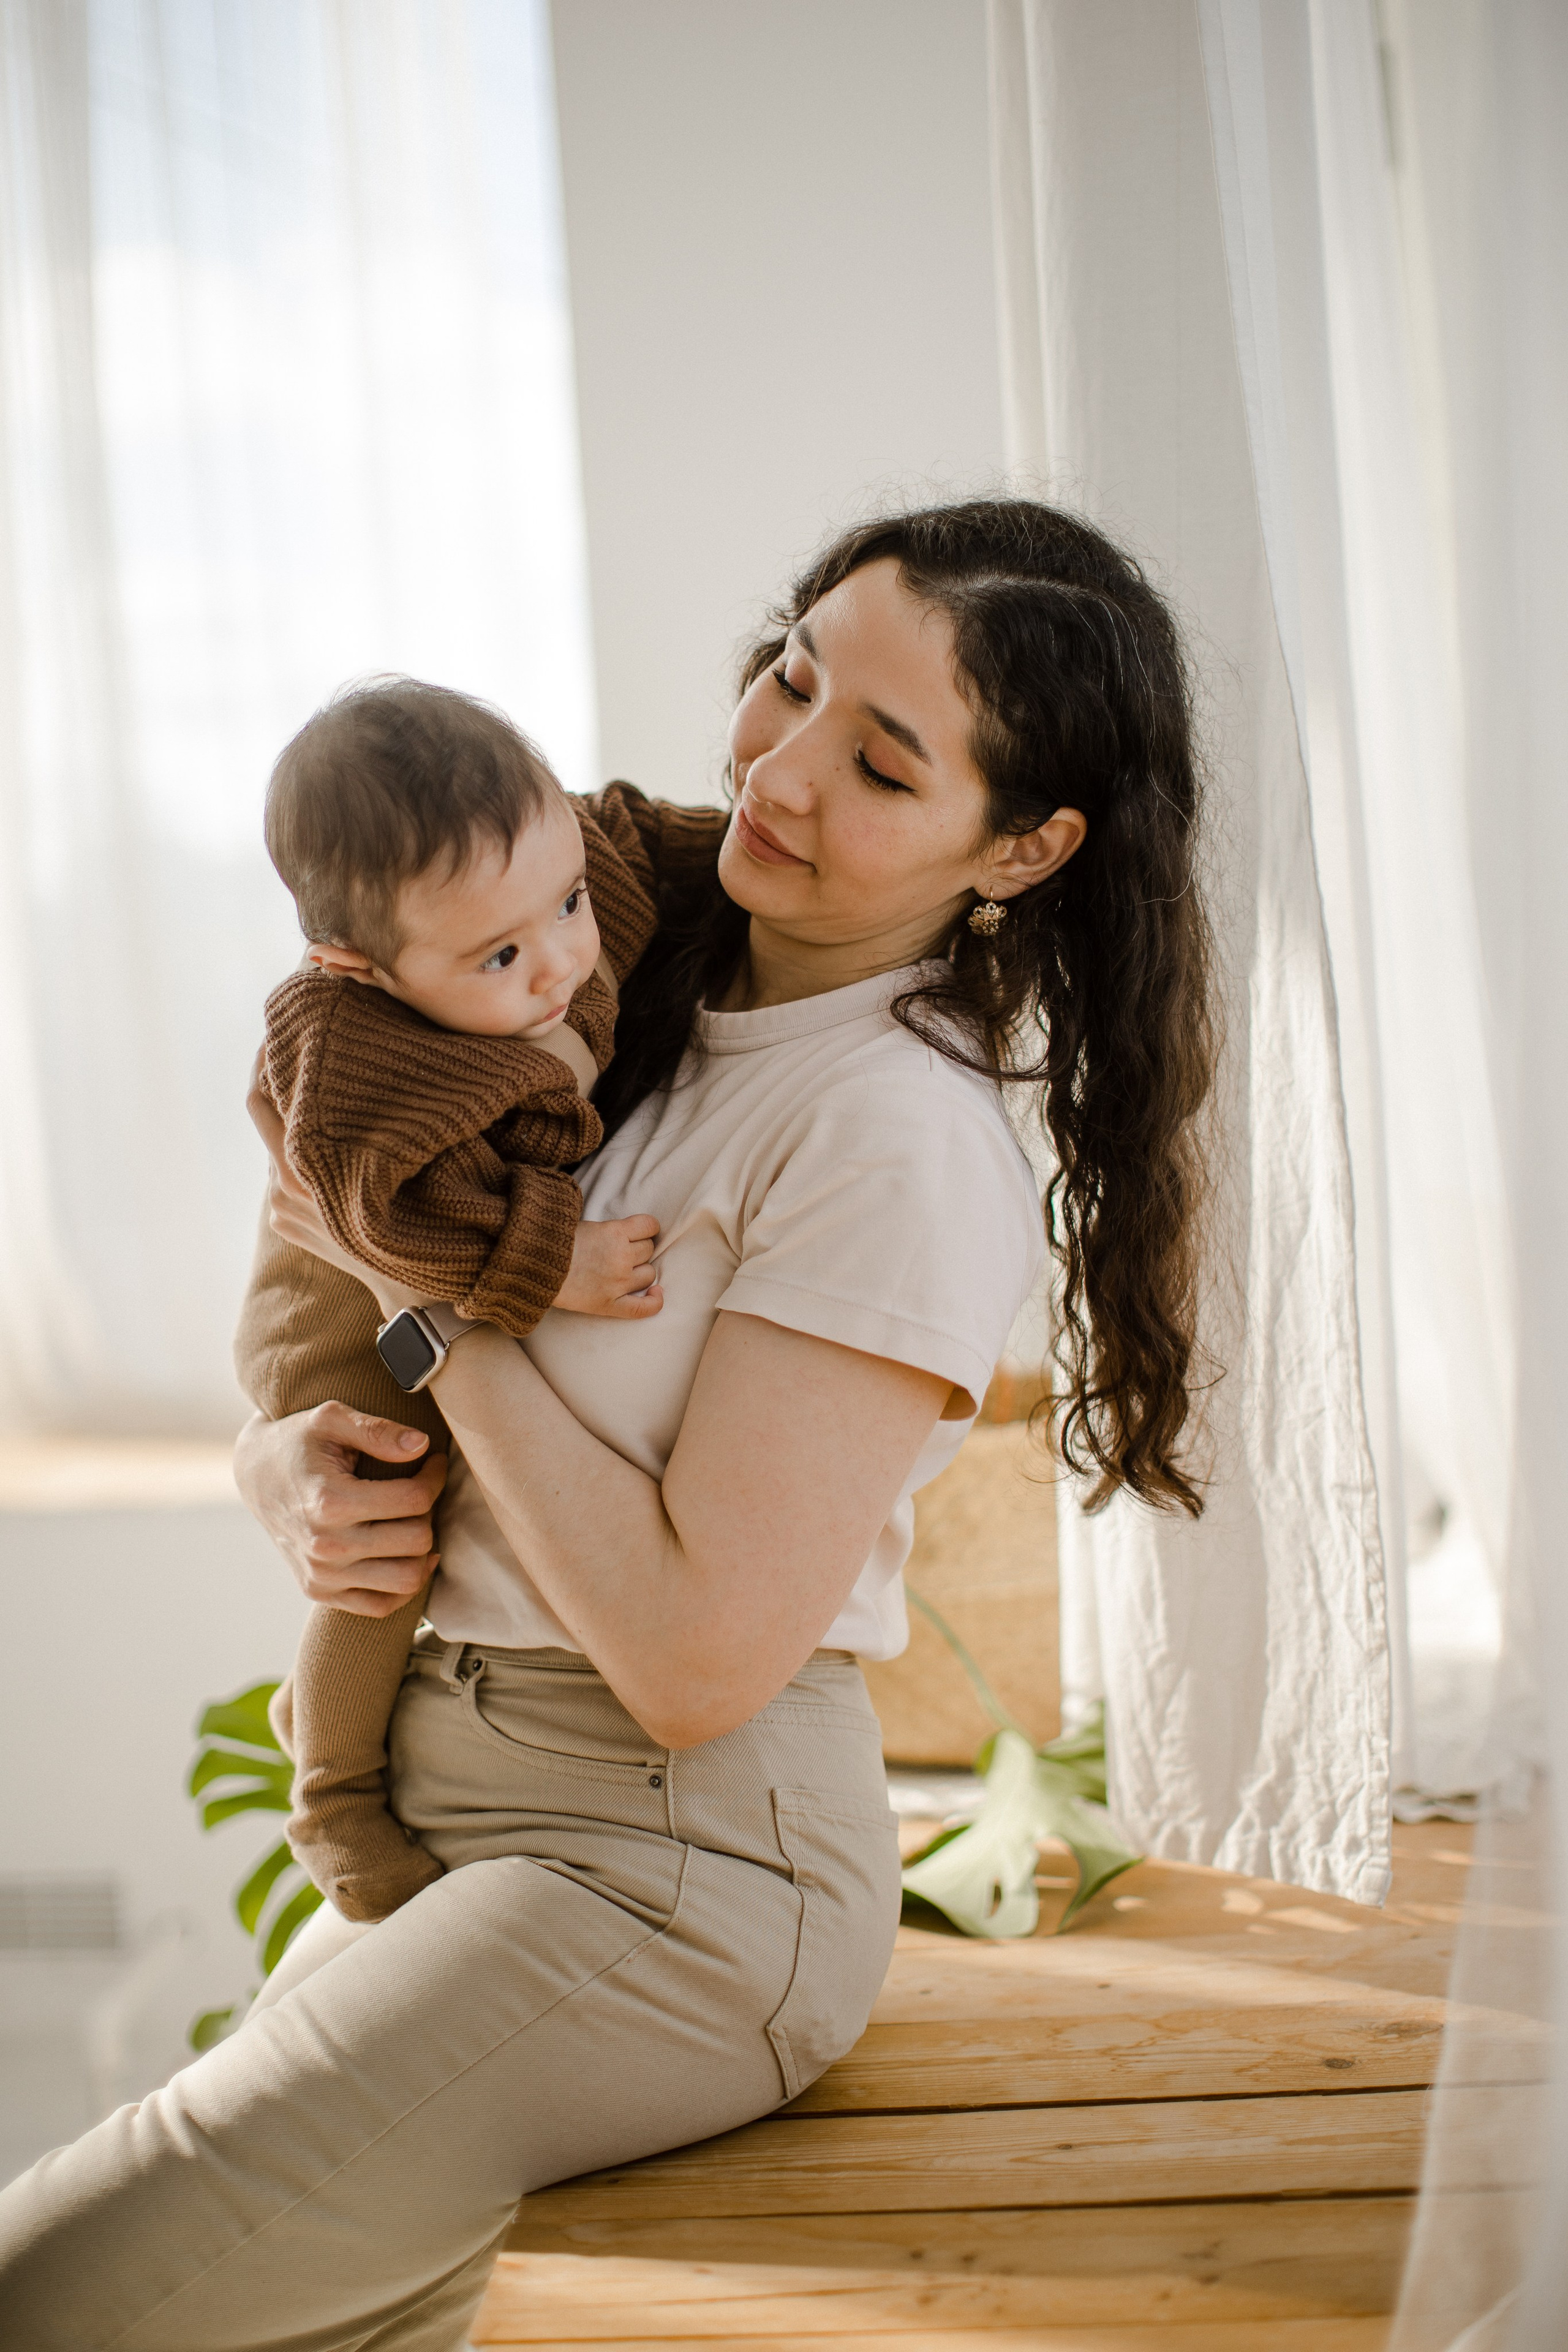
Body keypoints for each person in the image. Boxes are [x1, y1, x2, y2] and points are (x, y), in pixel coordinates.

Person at [0, 499, 1214, 2351]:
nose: (783, 775)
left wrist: (434, 1315)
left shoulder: (891, 1135)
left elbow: (692, 1659)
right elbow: (334, 1244)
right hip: (456, 1809)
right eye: (791, 680)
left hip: (675, 1869)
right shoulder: (617, 975)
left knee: (57, 2290)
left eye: (880, 764)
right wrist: (289, 1468)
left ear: (1024, 846)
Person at [245, 677, 714, 1923]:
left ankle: (320, 1706)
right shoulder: (342, 1046)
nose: (561, 957)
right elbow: (381, 1216)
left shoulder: (559, 874)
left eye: (561, 903)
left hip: (423, 1267)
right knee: (384, 1533)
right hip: (342, 1304)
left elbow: (644, 836)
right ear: (356, 961)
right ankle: (333, 1792)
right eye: (501, 956)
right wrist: (549, 1261)